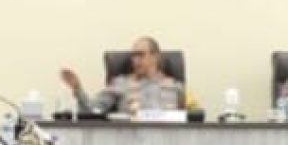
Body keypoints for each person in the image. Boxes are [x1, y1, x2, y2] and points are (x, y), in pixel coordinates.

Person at [59, 36, 197, 116]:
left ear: (155, 57)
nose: (135, 60)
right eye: (133, 56)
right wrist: (78, 89)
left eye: (140, 55)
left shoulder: (176, 87)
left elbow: (195, 116)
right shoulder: (121, 84)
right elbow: (92, 112)